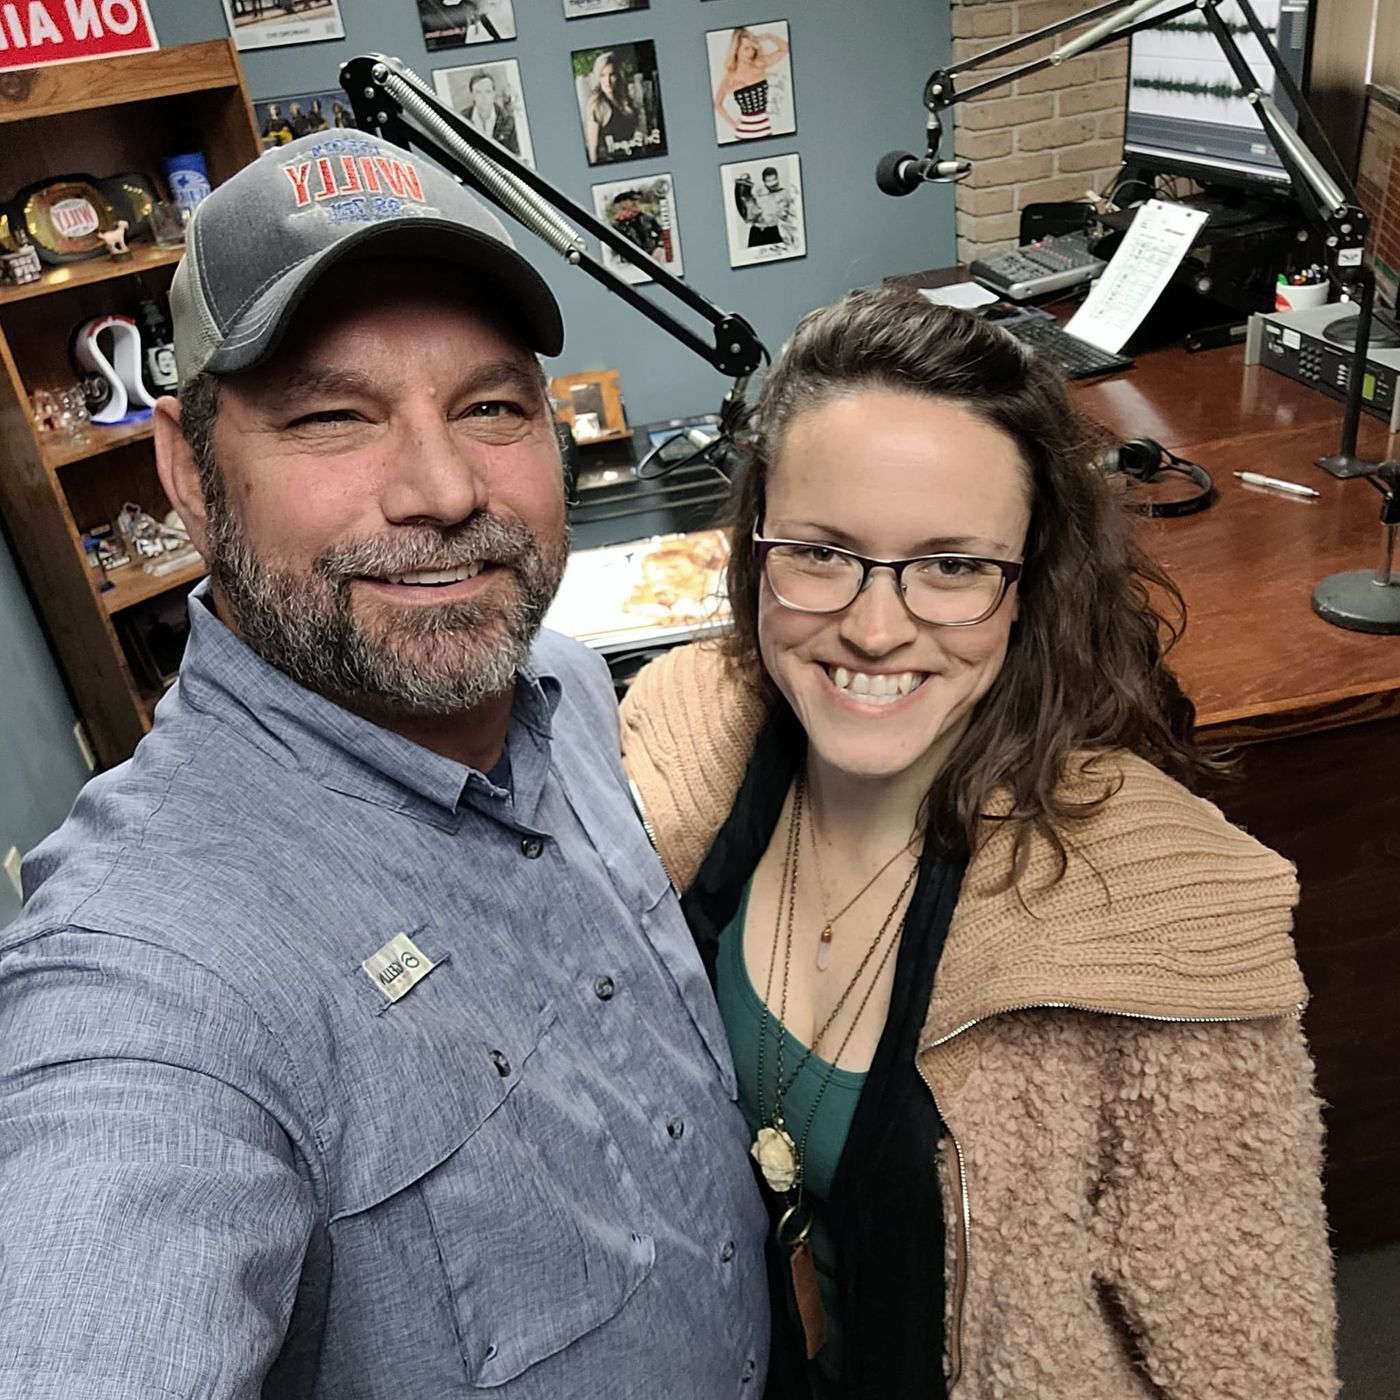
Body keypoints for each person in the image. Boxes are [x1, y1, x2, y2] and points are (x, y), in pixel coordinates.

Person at [0, 131, 769, 1398]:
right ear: (188, 470)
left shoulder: (568, 685)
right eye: (331, 417)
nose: (443, 488)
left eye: (490, 406)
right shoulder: (145, 973)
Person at [618, 288, 1338, 1398]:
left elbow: (1249, 1367)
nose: (874, 627)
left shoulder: (1168, 930)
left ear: (1031, 583)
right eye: (820, 551)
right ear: (756, 551)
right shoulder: (683, 734)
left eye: (952, 566)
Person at [713, 25, 790, 141]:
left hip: (766, 130)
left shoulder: (760, 65)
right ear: (736, 50)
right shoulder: (730, 77)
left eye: (753, 48)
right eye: (746, 48)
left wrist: (769, 36)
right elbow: (717, 104)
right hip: (743, 134)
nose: (751, 52)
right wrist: (733, 124)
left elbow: (786, 48)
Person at [583, 50, 642, 164]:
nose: (608, 81)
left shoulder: (625, 102)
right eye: (602, 75)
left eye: (612, 75)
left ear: (618, 76)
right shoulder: (597, 107)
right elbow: (593, 150)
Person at [462, 68, 520, 157]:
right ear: (472, 95)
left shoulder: (508, 120)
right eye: (478, 92)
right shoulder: (462, 118)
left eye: (488, 91)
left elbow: (516, 155)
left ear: (494, 93)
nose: (484, 97)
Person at [735, 165, 795, 249]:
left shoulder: (783, 193)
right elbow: (749, 217)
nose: (772, 183)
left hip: (772, 231)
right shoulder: (757, 193)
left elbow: (785, 215)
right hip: (756, 231)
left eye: (774, 179)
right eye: (769, 181)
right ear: (764, 181)